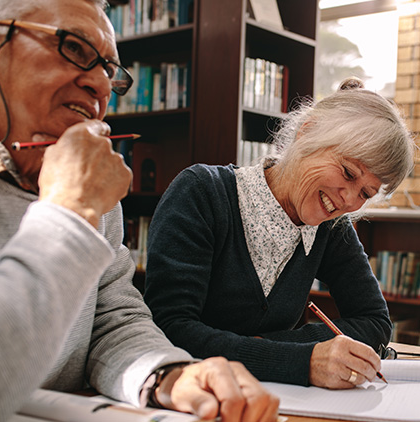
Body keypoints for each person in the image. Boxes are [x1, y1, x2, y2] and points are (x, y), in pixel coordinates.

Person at [0, 1, 280, 421]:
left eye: (111, 71)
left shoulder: (91, 188)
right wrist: (70, 214)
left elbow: (112, 319)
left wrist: (167, 375)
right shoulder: (79, 198)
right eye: (74, 47)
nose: (101, 84)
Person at [144, 78, 416, 390]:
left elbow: (375, 322)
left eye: (366, 192)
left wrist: (274, 347)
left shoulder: (331, 228)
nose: (349, 200)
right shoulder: (200, 192)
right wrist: (299, 359)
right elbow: (169, 330)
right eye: (348, 173)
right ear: (308, 132)